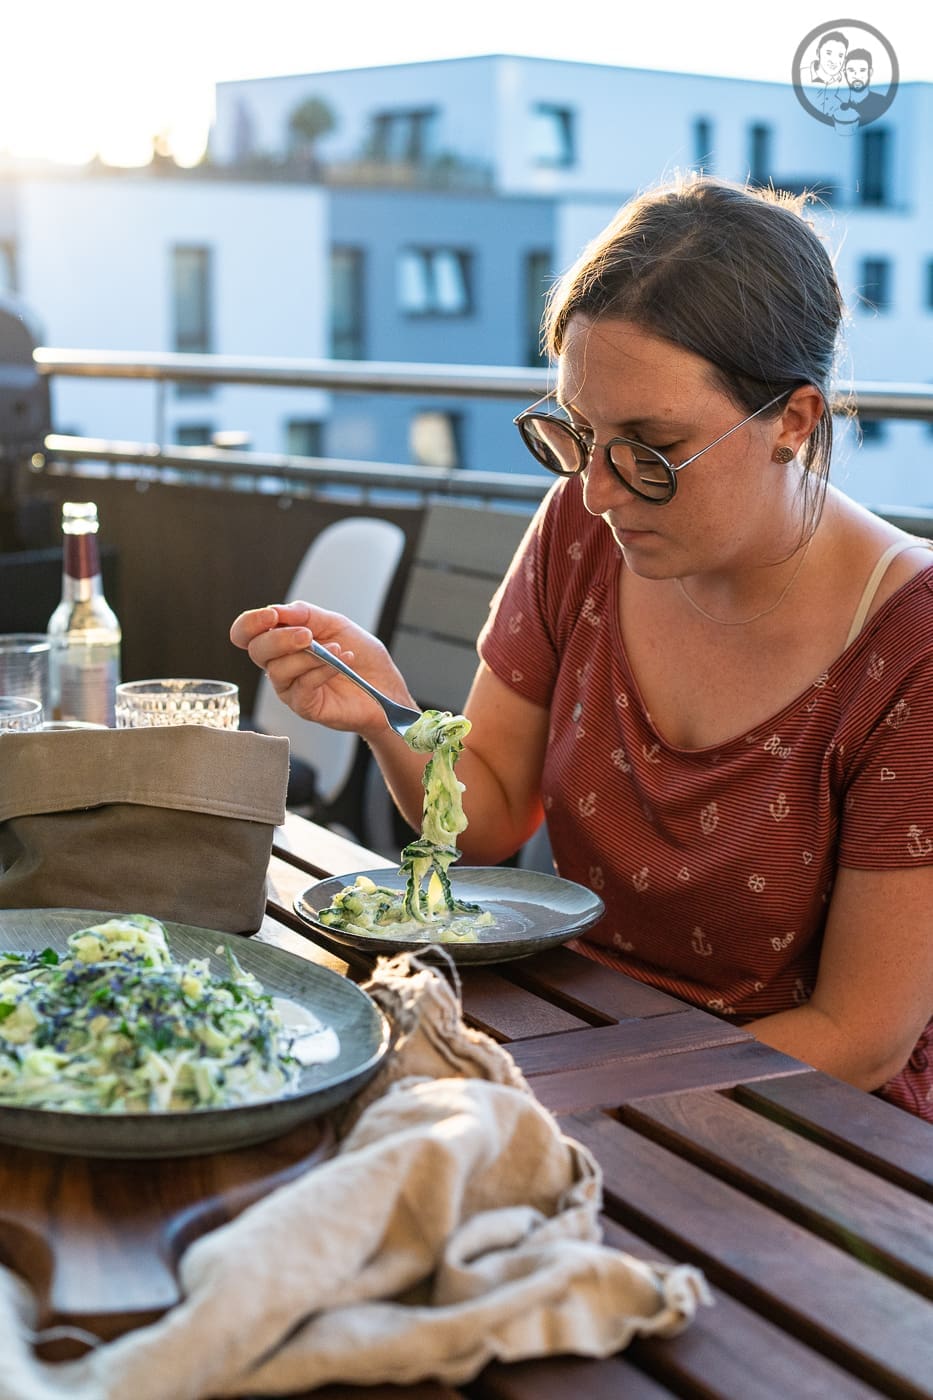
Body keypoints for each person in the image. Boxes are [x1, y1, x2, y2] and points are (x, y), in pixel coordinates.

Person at [231, 176, 933, 1122]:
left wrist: (558, 1093)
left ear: (792, 422)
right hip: (581, 1033)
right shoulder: (583, 527)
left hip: (800, 1125)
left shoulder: (909, 642)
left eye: (650, 447)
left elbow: (859, 1035)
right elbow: (487, 823)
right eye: (579, 434)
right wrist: (387, 713)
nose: (599, 490)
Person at [836, 48, 890, 125]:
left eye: (862, 70)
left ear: (870, 72)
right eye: (851, 70)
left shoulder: (882, 103)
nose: (856, 76)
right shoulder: (839, 106)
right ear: (845, 73)